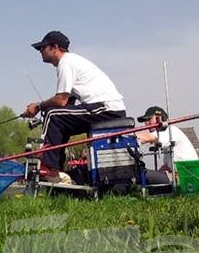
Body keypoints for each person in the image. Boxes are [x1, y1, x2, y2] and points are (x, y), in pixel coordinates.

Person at [23, 30, 126, 182]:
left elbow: (60, 101)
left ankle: (50, 168)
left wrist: (37, 107)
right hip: (104, 109)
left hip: (107, 109)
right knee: (55, 116)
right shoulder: (71, 62)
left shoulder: (66, 62)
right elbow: (67, 104)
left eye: (42, 48)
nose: (40, 52)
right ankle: (57, 170)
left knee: (53, 114)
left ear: (55, 47)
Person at [136, 106, 198, 184]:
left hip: (187, 176)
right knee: (144, 175)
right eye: (145, 120)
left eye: (149, 119)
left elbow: (150, 138)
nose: (146, 123)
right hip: (178, 175)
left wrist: (128, 136)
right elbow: (166, 167)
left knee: (142, 174)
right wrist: (157, 174)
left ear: (159, 118)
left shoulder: (171, 131)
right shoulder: (165, 137)